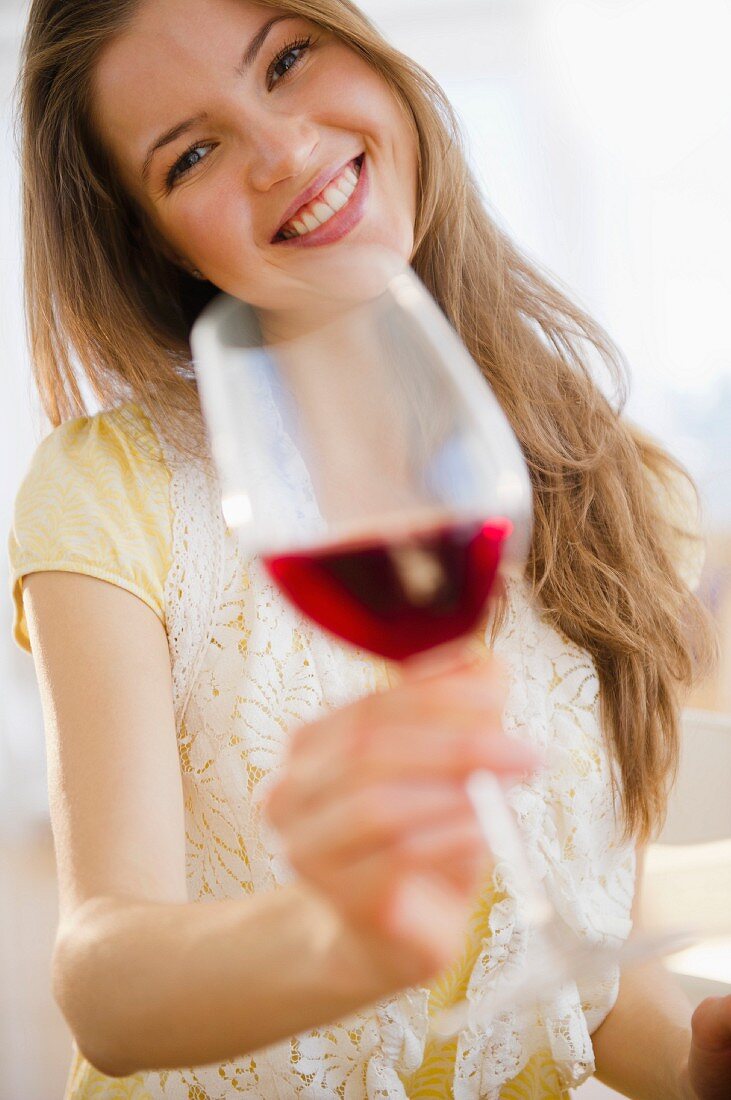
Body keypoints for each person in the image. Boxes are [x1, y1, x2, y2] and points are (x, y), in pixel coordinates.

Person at [7, 0, 730, 1096]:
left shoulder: (609, 479)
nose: (284, 150)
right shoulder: (112, 486)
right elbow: (102, 978)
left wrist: (696, 1070)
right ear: (149, 238)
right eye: (192, 151)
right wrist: (339, 937)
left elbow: (587, 983)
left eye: (288, 61)